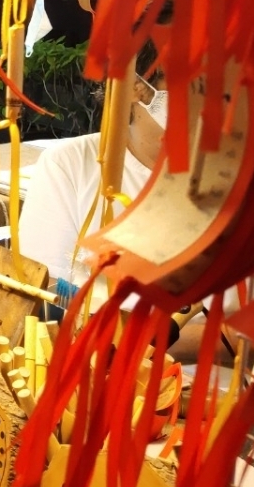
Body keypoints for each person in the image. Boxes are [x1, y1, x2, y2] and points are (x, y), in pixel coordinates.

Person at [19, 43, 165, 310]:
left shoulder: (237, 176)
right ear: (134, 86)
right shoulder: (70, 166)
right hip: (99, 342)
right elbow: (44, 285)